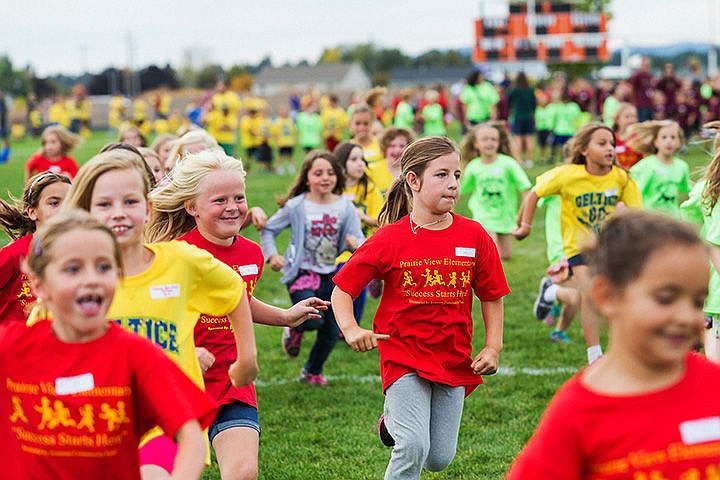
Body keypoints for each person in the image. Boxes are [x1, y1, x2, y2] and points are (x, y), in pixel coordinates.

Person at [62, 149, 258, 479]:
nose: (119, 213)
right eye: (105, 204)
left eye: (130, 202)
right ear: (86, 211)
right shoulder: (69, 278)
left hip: (165, 423)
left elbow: (234, 290)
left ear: (148, 209)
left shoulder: (180, 261)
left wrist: (247, 357)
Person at [331, 136, 508, 480]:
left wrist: (493, 346)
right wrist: (351, 329)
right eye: (441, 175)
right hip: (403, 354)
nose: (453, 184)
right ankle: (400, 425)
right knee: (413, 446)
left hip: (453, 357)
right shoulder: (389, 238)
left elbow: (491, 295)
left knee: (438, 457)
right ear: (413, 180)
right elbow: (342, 290)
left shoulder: (474, 236)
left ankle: (390, 425)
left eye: (457, 175)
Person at [147, 150, 328, 480]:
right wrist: (186, 351)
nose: (232, 207)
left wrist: (286, 316)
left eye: (238, 197)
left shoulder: (251, 254)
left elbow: (239, 302)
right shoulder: (171, 258)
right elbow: (152, 318)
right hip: (179, 380)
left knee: (243, 473)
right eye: (219, 200)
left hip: (231, 378)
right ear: (192, 207)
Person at [0, 209, 216, 480]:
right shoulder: (11, 348)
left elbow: (192, 436)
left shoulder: (135, 354)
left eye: (103, 267)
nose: (91, 278)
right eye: (73, 269)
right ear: (40, 285)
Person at [506, 210, 717, 479]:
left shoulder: (714, 385)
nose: (688, 316)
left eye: (698, 301)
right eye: (665, 298)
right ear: (607, 296)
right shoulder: (577, 413)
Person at [512, 122, 642, 364]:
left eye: (612, 143)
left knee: (612, 296)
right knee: (590, 295)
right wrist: (525, 227)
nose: (610, 148)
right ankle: (595, 355)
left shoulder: (621, 178)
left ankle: (551, 292)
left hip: (607, 248)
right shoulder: (567, 175)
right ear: (583, 150)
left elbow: (636, 214)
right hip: (578, 248)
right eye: (602, 143)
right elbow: (534, 193)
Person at [261, 150, 364, 386]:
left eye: (330, 173)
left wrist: (355, 243)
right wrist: (272, 255)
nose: (325, 178)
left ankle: (312, 371)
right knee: (312, 318)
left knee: (330, 331)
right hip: (301, 273)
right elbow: (269, 229)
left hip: (331, 273)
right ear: (307, 177)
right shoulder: (296, 206)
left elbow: (358, 236)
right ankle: (293, 329)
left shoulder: (345, 207)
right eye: (318, 173)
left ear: (337, 176)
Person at [0, 171, 71, 325]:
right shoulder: (14, 254)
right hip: (14, 345)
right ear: (32, 212)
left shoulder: (78, 254)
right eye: (54, 203)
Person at [460, 122, 531, 260]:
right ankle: (488, 280)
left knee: (505, 255)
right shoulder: (473, 167)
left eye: (493, 139)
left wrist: (523, 215)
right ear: (476, 144)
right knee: (493, 253)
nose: (489, 143)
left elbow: (525, 188)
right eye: (484, 139)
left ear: (499, 142)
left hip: (505, 215)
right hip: (483, 216)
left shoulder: (508, 164)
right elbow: (461, 189)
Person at [333, 141, 383, 323]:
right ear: (341, 163)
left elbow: (382, 220)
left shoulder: (369, 188)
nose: (360, 163)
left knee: (354, 274)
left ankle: (352, 324)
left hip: (361, 248)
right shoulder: (332, 188)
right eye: (354, 159)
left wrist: (363, 217)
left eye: (362, 159)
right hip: (331, 248)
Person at [628, 120, 690, 217]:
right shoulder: (647, 165)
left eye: (673, 137)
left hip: (673, 218)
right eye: (664, 137)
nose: (669, 141)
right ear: (656, 142)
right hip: (650, 218)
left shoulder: (682, 166)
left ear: (679, 142)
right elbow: (635, 191)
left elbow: (688, 188)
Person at [350, 104, 392, 192]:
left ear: (372, 124)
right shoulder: (349, 148)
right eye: (357, 123)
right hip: (362, 195)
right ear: (350, 124)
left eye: (366, 124)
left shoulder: (381, 143)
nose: (361, 127)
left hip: (384, 192)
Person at [507, 72, 537, 168]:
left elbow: (508, 101)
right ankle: (529, 160)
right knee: (529, 138)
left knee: (518, 139)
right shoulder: (531, 90)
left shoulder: (514, 90)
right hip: (529, 116)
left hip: (518, 116)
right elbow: (534, 104)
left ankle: (519, 160)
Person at [612, 102, 642, 170]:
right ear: (617, 119)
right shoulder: (611, 138)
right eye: (627, 117)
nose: (631, 120)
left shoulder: (639, 139)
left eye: (634, 116)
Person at [271, 105, 297, 175]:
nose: (284, 113)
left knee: (290, 155)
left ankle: (291, 167)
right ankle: (280, 168)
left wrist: (294, 140)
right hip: (281, 142)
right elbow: (275, 133)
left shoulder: (290, 121)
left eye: (285, 111)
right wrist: (276, 141)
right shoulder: (277, 121)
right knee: (281, 156)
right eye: (282, 111)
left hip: (289, 141)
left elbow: (294, 131)